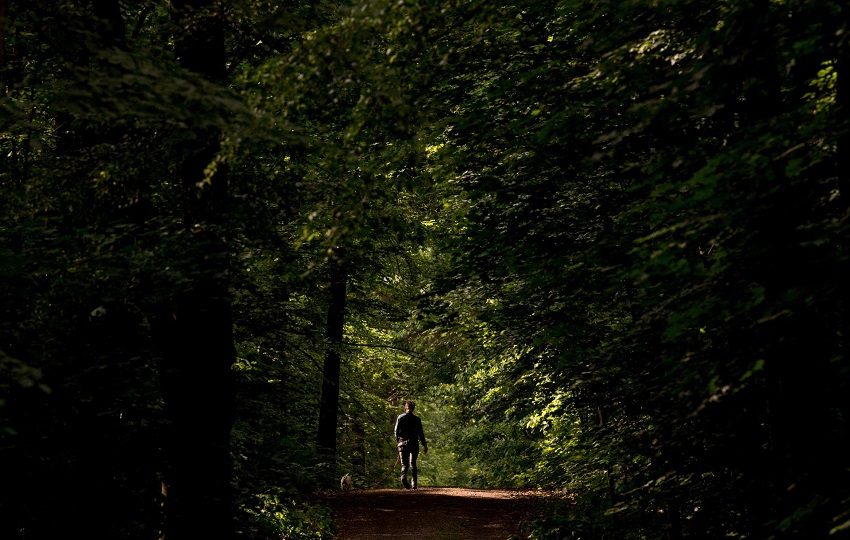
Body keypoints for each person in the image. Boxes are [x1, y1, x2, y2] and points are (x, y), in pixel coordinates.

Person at [394, 400, 427, 489]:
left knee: (404, 464)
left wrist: (398, 442)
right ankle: (414, 484)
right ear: (413, 408)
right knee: (413, 463)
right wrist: (424, 445)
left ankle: (403, 479)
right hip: (414, 444)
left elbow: (396, 431)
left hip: (403, 443)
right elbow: (421, 433)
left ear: (406, 407)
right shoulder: (417, 419)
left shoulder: (400, 417)